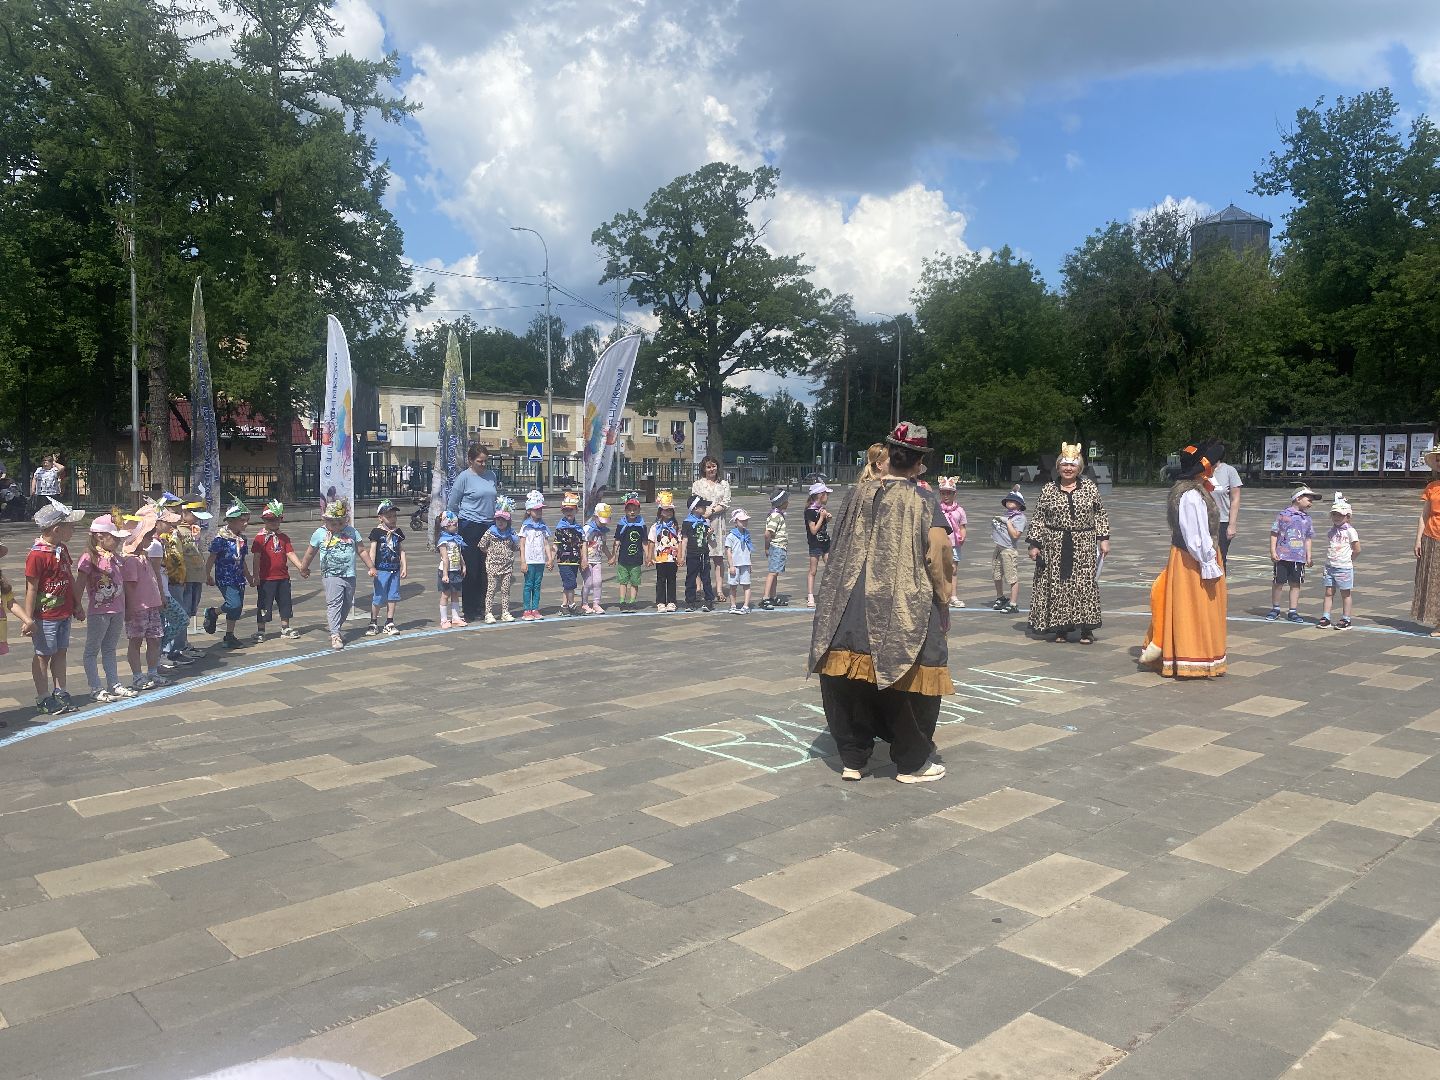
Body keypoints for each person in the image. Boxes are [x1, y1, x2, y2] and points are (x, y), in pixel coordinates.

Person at [809, 422, 954, 784]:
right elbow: (938, 555)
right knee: (910, 679)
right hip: (898, 603)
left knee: (847, 679)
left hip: (846, 603)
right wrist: (943, 601)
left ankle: (853, 758)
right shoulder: (923, 501)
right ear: (920, 463)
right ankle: (910, 762)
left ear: (889, 456)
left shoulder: (856, 495)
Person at [1139, 442, 1227, 678]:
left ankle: (1195, 655)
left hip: (1191, 557)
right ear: (1204, 467)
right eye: (1214, 463)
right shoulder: (1190, 495)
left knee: (1198, 606)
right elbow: (1195, 535)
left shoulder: (1195, 489)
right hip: (1192, 560)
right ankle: (1193, 657)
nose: (1216, 467)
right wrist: (1208, 562)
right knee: (1193, 607)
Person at [1026, 442, 1111, 644]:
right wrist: (1034, 544)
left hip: (1083, 543)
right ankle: (1060, 628)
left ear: (1079, 467)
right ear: (1058, 467)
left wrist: (1103, 539)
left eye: (1072, 465)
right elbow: (1039, 516)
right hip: (1054, 544)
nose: (1068, 468)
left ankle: (1085, 630)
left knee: (1083, 585)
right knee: (1059, 586)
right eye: (1064, 464)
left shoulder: (1089, 487)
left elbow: (1099, 513)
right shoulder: (1048, 489)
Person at [24, 498, 86, 714]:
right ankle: (42, 696)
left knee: (61, 652)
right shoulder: (37, 555)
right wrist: (28, 618)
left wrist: (77, 604)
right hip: (45, 615)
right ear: (57, 529)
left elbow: (68, 578)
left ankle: (61, 691)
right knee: (43, 654)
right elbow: (31, 588)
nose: (74, 529)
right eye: (70, 526)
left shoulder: (62, 549)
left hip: (63, 612)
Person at [299, 498, 376, 650]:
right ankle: (335, 634)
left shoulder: (351, 531)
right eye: (334, 523)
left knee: (347, 603)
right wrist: (304, 567)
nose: (338, 527)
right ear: (325, 520)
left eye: (341, 523)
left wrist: (371, 566)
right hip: (331, 574)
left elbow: (361, 550)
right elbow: (310, 552)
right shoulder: (320, 533)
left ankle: (336, 627)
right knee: (334, 603)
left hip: (349, 574)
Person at [77, 516, 132, 702]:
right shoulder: (88, 557)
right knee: (91, 651)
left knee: (110, 648)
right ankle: (95, 687)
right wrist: (77, 605)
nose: (117, 541)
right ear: (100, 536)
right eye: (114, 537)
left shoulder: (115, 557)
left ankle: (114, 683)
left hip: (117, 609)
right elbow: (80, 583)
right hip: (99, 612)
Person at [446, 443, 501, 622]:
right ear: (471, 460)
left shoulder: (491, 476)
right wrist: (453, 529)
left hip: (489, 526)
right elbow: (453, 504)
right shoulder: (464, 477)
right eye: (480, 462)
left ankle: (482, 605)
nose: (483, 465)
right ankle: (469, 608)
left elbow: (495, 498)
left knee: (487, 568)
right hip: (469, 525)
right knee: (471, 568)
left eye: (486, 461)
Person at [121, 508, 169, 691]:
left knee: (155, 639)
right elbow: (129, 587)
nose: (150, 538)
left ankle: (152, 672)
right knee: (136, 641)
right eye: (147, 535)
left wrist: (160, 597)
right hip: (138, 608)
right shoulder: (131, 560)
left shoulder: (143, 557)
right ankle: (137, 676)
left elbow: (153, 579)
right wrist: (129, 609)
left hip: (152, 606)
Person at [251, 501, 304, 642]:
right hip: (266, 578)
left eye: (277, 519)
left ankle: (285, 627)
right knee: (264, 604)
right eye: (270, 520)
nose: (274, 522)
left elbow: (290, 553)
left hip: (283, 577)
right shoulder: (260, 538)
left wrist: (301, 567)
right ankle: (261, 630)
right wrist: (255, 575)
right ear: (264, 520)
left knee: (285, 602)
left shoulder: (283, 537)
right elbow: (256, 558)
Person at [205, 498, 254, 649]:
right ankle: (213, 612)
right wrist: (207, 575)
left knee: (237, 609)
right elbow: (211, 558)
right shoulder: (221, 539)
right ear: (231, 521)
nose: (245, 523)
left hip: (238, 577)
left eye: (246, 520)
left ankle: (229, 635)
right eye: (242, 520)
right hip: (225, 577)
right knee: (234, 604)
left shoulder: (242, 540)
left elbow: (242, 560)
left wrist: (249, 577)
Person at [1266, 485, 1317, 623]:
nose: (1311, 502)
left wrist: (1309, 555)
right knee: (1278, 582)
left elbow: (1308, 538)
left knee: (1296, 583)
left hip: (1298, 557)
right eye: (1309, 499)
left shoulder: (1307, 519)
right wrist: (1273, 550)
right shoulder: (1283, 515)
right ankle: (1275, 608)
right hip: (1282, 555)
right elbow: (1274, 533)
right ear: (1298, 498)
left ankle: (1293, 611)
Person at [173, 493, 211, 657]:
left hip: (196, 576)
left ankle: (184, 643)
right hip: (185, 578)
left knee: (189, 612)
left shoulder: (193, 529)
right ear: (184, 513)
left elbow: (197, 552)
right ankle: (178, 647)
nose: (197, 520)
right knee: (183, 612)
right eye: (195, 516)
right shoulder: (177, 531)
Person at [690, 456, 732, 603]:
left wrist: (711, 511)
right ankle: (698, 588)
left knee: (718, 557)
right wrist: (703, 514)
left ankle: (719, 590)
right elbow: (694, 503)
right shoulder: (697, 484)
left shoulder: (724, 484)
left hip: (718, 523)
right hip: (701, 522)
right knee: (700, 557)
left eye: (713, 466)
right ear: (703, 469)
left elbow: (726, 503)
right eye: (708, 467)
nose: (711, 469)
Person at [1318, 493, 1360, 630]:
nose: (1336, 518)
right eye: (1334, 515)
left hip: (1344, 567)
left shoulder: (1350, 531)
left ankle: (1346, 618)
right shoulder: (1331, 531)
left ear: (1348, 516)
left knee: (1345, 593)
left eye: (1340, 515)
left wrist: (1349, 560)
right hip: (1330, 566)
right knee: (1328, 592)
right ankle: (1326, 616)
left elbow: (1357, 549)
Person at [366, 500, 407, 636]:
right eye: (389, 516)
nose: (392, 519)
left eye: (394, 516)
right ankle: (373, 622)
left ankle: (389, 622)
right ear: (380, 517)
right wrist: (371, 566)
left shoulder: (398, 532)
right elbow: (372, 550)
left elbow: (401, 550)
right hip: (381, 570)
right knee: (378, 596)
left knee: (393, 596)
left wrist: (404, 566)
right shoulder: (377, 532)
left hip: (394, 569)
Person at [1412, 444, 1440, 637]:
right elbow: (1424, 515)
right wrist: (1418, 540)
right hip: (1432, 537)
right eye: (1437, 459)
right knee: (1434, 583)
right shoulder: (1431, 487)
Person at [479, 498, 519, 623]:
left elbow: (515, 547)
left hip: (507, 566)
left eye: (503, 519)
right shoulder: (490, 532)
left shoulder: (511, 532)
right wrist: (490, 553)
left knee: (505, 590)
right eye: (498, 519)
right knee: (491, 589)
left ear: (508, 520)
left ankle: (505, 612)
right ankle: (488, 613)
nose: (500, 522)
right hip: (492, 566)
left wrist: (516, 539)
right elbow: (481, 545)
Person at [518, 490, 554, 621]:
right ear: (529, 511)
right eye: (536, 510)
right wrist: (523, 561)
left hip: (540, 561)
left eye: (540, 510)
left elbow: (546, 544)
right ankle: (527, 610)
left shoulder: (543, 526)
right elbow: (521, 545)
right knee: (528, 584)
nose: (539, 512)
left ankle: (535, 608)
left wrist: (549, 558)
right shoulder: (525, 526)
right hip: (529, 561)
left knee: (537, 585)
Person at [611, 494, 648, 613]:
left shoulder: (641, 525)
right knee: (622, 581)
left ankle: (632, 602)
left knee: (635, 582)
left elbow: (644, 541)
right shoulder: (622, 524)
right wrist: (613, 556)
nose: (632, 512)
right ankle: (622, 601)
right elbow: (617, 541)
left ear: (639, 510)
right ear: (625, 510)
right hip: (623, 558)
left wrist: (648, 556)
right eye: (629, 510)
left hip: (636, 559)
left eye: (635, 510)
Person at [990, 493, 1026, 614]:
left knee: (1011, 577)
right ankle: (1000, 597)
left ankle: (1013, 603)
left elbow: (1015, 535)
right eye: (1008, 500)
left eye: (1013, 500)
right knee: (996, 573)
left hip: (1009, 549)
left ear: (1020, 504)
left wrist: (1008, 522)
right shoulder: (1007, 515)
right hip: (999, 547)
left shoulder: (1020, 518)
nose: (1009, 502)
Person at [1208, 442, 1243, 563]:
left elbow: (1235, 499)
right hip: (1202, 520)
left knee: (1219, 558)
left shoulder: (1229, 471)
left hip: (1221, 522)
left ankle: (1220, 582)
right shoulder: (1201, 471)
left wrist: (1232, 525)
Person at [554, 493, 587, 616]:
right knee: (571, 583)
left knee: (568, 584)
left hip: (575, 559)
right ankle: (572, 604)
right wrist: (551, 559)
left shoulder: (578, 528)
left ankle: (564, 606)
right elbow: (556, 544)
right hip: (564, 560)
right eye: (566, 510)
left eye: (571, 510)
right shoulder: (560, 528)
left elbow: (583, 544)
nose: (568, 512)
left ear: (576, 510)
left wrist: (584, 559)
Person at [937, 477, 967, 608]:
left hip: (955, 544)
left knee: (953, 570)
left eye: (949, 493)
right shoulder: (938, 509)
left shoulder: (959, 510)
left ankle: (953, 596)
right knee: (941, 569)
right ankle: (942, 594)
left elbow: (962, 526)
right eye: (943, 493)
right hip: (941, 544)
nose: (946, 496)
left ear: (955, 494)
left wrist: (962, 537)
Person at [649, 491, 681, 612]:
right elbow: (651, 542)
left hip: (672, 557)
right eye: (665, 510)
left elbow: (680, 542)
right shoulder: (655, 526)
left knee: (672, 579)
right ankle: (661, 602)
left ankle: (672, 601)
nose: (667, 512)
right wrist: (649, 556)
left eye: (670, 510)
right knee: (660, 580)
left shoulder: (675, 526)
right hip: (660, 558)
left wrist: (680, 556)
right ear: (660, 512)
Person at [682, 496, 715, 612]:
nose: (706, 508)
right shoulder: (687, 522)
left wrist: (710, 533)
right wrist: (682, 555)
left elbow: (707, 538)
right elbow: (684, 539)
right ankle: (690, 601)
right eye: (703, 506)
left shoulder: (705, 521)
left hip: (704, 553)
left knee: (706, 577)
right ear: (695, 508)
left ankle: (709, 600)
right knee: (691, 577)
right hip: (692, 554)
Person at [436, 510, 467, 626]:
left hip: (456, 570)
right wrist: (444, 574)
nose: (456, 526)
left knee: (455, 594)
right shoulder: (443, 541)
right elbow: (445, 559)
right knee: (445, 594)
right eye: (454, 524)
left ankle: (455, 617)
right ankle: (444, 619)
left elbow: (459, 554)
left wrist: (463, 565)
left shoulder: (456, 539)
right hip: (446, 571)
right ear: (446, 526)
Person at [804, 482, 832, 608]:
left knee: (831, 567)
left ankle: (830, 593)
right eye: (826, 494)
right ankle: (810, 596)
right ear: (820, 495)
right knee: (813, 570)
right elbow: (814, 530)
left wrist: (827, 518)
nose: (828, 497)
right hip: (815, 543)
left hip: (825, 542)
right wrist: (821, 517)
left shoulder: (821, 509)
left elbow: (823, 526)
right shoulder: (810, 511)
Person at [581, 502, 612, 614]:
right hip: (587, 559)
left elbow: (603, 546)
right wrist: (583, 559)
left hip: (597, 560)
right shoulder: (588, 529)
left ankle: (596, 603)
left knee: (598, 581)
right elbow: (583, 544)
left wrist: (610, 557)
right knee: (588, 582)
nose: (603, 524)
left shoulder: (603, 531)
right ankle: (584, 603)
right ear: (595, 517)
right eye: (601, 521)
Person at [761, 488, 789, 610]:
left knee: (775, 573)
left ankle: (772, 596)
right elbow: (768, 533)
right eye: (786, 500)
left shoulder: (778, 515)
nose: (788, 503)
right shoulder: (775, 516)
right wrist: (767, 547)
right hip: (777, 547)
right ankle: (765, 597)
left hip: (780, 547)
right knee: (772, 573)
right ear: (781, 502)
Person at [725, 508, 754, 613]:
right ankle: (733, 605)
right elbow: (728, 551)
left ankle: (746, 606)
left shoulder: (747, 534)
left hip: (745, 563)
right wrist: (731, 565)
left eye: (746, 520)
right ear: (735, 522)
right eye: (741, 521)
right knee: (733, 586)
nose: (744, 522)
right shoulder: (731, 536)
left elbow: (749, 549)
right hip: (735, 564)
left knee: (747, 585)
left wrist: (750, 563)